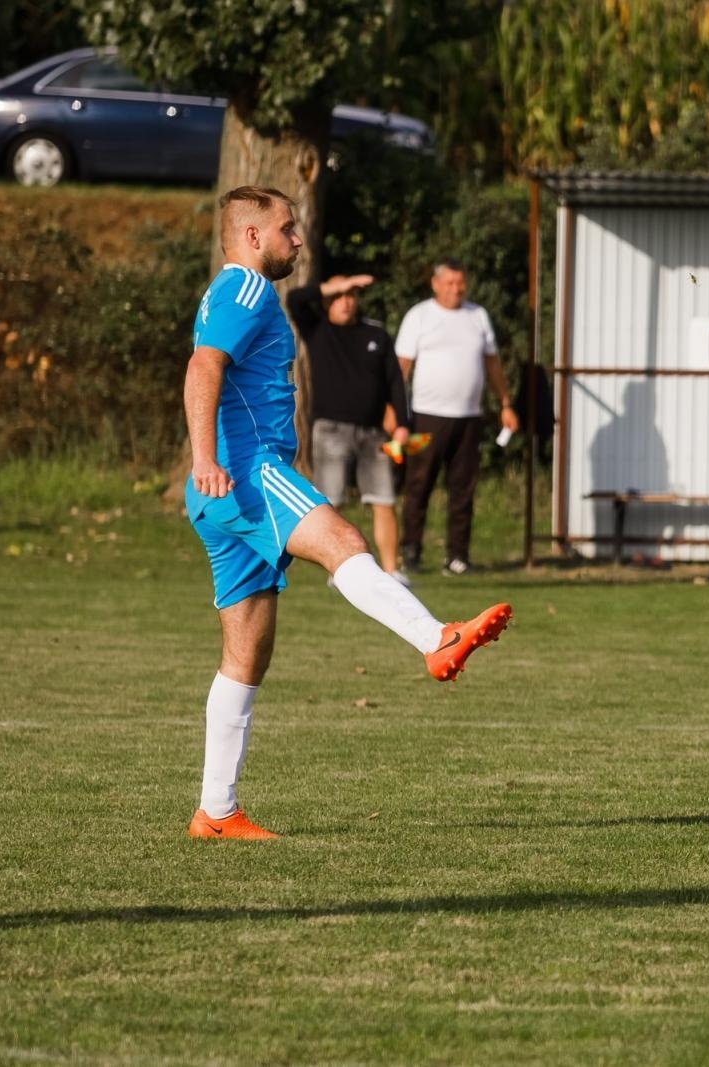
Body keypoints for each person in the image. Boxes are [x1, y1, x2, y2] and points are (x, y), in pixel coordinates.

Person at [183, 187, 513, 840]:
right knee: (344, 539)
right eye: (287, 229)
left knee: (246, 653)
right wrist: (204, 456)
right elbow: (202, 368)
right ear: (252, 238)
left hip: (220, 491)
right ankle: (436, 638)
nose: (298, 240)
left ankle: (215, 811)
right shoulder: (246, 290)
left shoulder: (232, 294)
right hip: (246, 471)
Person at [395, 259, 519, 575]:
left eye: (460, 283)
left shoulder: (477, 316)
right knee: (419, 484)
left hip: (469, 417)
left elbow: (492, 363)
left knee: (463, 488)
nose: (456, 289)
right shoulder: (420, 316)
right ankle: (410, 550)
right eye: (449, 282)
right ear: (436, 284)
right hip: (427, 416)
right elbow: (402, 368)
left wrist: (504, 402)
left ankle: (458, 556)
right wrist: (394, 410)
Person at [286, 273, 412, 582]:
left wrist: (402, 425)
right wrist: (334, 285)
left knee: (383, 500)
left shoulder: (376, 335)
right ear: (328, 299)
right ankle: (339, 569)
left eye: (352, 295)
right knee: (332, 501)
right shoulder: (317, 329)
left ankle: (392, 571)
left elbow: (395, 381)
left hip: (373, 433)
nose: (347, 301)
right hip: (330, 431)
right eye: (340, 296)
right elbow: (295, 299)